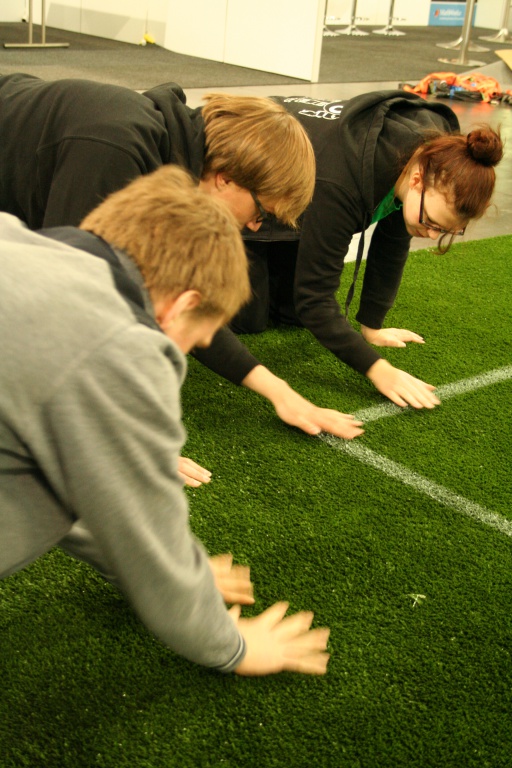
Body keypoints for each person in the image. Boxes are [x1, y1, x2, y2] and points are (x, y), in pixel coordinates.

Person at [0, 165, 330, 676]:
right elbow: (141, 523)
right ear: (183, 306)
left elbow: (82, 480)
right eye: (198, 339)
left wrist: (167, 571)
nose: (191, 351)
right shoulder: (116, 346)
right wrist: (231, 644)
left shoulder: (18, 238)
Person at [0, 72, 363, 476]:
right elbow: (68, 313)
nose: (257, 227)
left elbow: (183, 306)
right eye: (262, 212)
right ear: (226, 177)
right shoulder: (116, 151)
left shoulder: (169, 168)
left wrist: (279, 392)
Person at [239, 90, 504, 410]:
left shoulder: (431, 155)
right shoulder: (342, 181)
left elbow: (393, 240)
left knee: (290, 316)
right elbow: (315, 300)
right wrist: (380, 371)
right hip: (247, 178)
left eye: (445, 231)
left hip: (305, 194)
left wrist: (372, 325)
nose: (430, 233)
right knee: (249, 319)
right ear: (418, 179)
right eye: (431, 222)